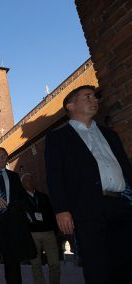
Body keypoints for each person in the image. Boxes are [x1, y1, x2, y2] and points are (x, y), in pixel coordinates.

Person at [45, 85, 132, 284]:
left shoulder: (110, 134)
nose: (95, 100)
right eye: (87, 97)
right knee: (97, 266)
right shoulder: (58, 138)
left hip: (121, 204)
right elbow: (54, 175)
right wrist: (61, 209)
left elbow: (125, 168)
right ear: (71, 105)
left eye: (95, 97)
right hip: (87, 208)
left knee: (126, 262)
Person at [0, 147, 35, 284]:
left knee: (13, 264)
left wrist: (25, 213)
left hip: (11, 223)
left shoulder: (14, 176)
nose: (2, 157)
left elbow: (22, 197)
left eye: (4, 155)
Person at [21, 173, 60, 284]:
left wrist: (54, 229)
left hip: (48, 233)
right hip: (33, 234)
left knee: (55, 263)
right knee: (36, 264)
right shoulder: (21, 199)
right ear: (22, 184)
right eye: (26, 180)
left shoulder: (43, 197)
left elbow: (51, 214)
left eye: (31, 179)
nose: (29, 181)